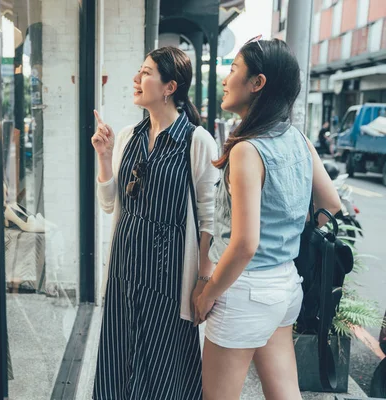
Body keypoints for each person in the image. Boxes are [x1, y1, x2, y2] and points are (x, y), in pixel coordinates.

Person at [193, 37, 341, 400]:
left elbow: (244, 243)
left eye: (232, 70)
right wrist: (286, 228)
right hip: (285, 286)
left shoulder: (247, 149)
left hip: (245, 290)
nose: (225, 80)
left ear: (257, 83)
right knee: (285, 393)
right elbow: (332, 204)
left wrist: (207, 293)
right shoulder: (298, 139)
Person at [91, 46, 218, 399]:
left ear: (169, 87)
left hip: (168, 274)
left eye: (146, 72)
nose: (136, 78)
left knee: (165, 370)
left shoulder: (196, 141)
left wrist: (204, 282)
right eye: (140, 71)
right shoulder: (129, 136)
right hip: (123, 269)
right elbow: (108, 203)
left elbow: (211, 219)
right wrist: (104, 157)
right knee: (119, 359)